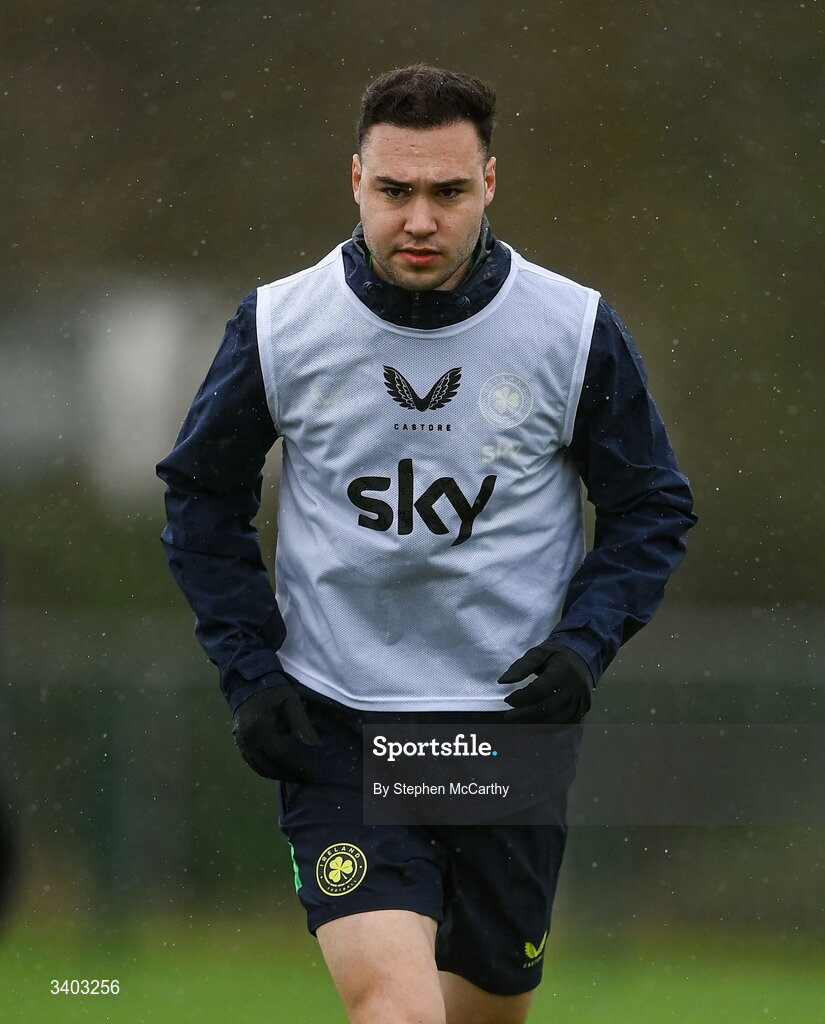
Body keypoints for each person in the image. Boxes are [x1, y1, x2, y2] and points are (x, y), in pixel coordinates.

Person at [157, 64, 695, 1024]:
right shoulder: (282, 325)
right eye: (394, 190)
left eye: (446, 192)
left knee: (485, 1011)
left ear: (488, 183)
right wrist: (251, 670)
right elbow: (200, 497)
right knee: (399, 1011)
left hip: (502, 729)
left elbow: (651, 505)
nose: (418, 219)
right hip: (340, 724)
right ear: (353, 179)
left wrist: (584, 644)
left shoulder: (568, 329)